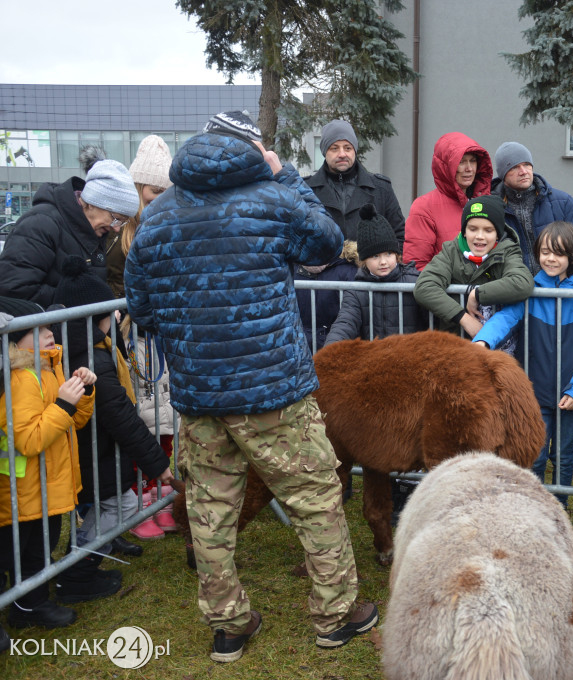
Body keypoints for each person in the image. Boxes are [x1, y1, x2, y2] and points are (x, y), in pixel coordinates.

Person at [123, 110, 376, 662]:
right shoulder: (274, 197)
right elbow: (328, 244)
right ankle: (336, 615)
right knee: (315, 500)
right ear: (254, 149)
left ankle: (228, 626)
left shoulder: (159, 215)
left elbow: (140, 306)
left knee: (210, 511)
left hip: (198, 396)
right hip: (275, 393)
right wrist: (284, 176)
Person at [51, 257, 173, 601]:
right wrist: (157, 463)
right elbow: (118, 414)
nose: (117, 316)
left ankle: (79, 567)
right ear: (95, 317)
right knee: (120, 507)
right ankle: (75, 575)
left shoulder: (87, 348)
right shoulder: (92, 358)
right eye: (110, 311)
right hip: (94, 452)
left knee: (110, 506)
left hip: (95, 451)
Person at [473, 222, 573, 508]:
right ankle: (531, 508)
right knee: (535, 453)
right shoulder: (531, 290)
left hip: (571, 394)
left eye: (558, 253)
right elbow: (506, 318)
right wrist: (483, 341)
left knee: (563, 455)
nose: (550, 259)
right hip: (534, 390)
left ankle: (559, 509)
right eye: (545, 251)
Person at [0, 296, 96, 629]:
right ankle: (28, 607)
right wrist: (64, 406)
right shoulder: (21, 379)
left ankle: (30, 605)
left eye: (49, 327)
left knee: (41, 546)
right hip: (23, 490)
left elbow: (75, 422)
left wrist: (82, 392)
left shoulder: (46, 368)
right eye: (38, 330)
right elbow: (28, 440)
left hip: (43, 486)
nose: (48, 334)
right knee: (24, 552)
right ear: (14, 340)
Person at [0, 159, 138, 306]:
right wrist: (82, 302)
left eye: (122, 222)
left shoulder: (94, 231)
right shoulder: (40, 225)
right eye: (116, 218)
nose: (116, 228)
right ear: (92, 202)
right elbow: (13, 288)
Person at [413, 195, 533, 338]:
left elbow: (522, 282)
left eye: (488, 230)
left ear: (497, 234)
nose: (480, 236)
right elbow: (424, 286)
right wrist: (463, 317)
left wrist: (477, 294)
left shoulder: (508, 251)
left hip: (496, 345)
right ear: (464, 231)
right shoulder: (451, 251)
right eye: (473, 229)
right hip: (455, 342)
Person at [325, 205, 425, 344]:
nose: (383, 262)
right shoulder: (356, 291)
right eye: (375, 256)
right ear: (364, 260)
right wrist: (330, 351)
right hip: (374, 361)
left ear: (397, 254)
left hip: (411, 359)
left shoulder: (415, 282)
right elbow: (345, 323)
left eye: (389, 254)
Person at [490, 142, 573, 272]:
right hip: (514, 290)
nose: (523, 172)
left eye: (527, 164)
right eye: (514, 167)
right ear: (503, 174)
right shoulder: (490, 208)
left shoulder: (563, 202)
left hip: (560, 289)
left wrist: (569, 285)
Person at [304, 119, 405, 244]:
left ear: (354, 151)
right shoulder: (306, 190)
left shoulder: (381, 189)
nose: (342, 154)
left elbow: (400, 236)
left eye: (347, 148)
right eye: (334, 148)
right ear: (325, 152)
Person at [404, 132, 492, 269]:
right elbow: (416, 266)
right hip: (443, 289)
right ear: (445, 167)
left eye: (473, 161)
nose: (469, 168)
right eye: (461, 162)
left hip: (484, 290)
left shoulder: (487, 204)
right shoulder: (424, 206)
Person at [106, 135, 174, 297]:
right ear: (138, 188)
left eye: (167, 192)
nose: (161, 199)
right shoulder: (116, 227)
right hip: (119, 313)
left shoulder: (172, 225)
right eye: (156, 191)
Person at [295, 240, 360, 353]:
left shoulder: (348, 271)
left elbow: (350, 317)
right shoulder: (290, 268)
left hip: (334, 349)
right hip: (298, 348)